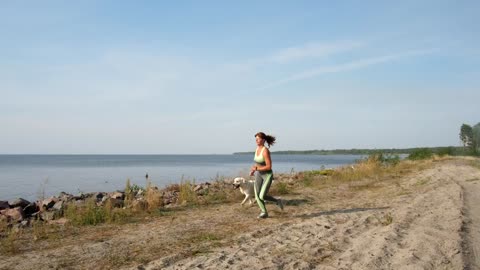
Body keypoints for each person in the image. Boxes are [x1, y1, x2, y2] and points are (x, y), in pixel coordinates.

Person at [250, 132, 284, 219]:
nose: (256, 140)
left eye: (258, 139)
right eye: (256, 139)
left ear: (263, 140)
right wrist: (253, 170)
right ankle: (264, 212)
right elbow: (257, 163)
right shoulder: (257, 149)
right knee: (257, 195)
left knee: (262, 196)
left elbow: (269, 167)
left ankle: (277, 201)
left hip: (267, 175)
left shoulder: (265, 151)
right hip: (258, 174)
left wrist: (257, 169)